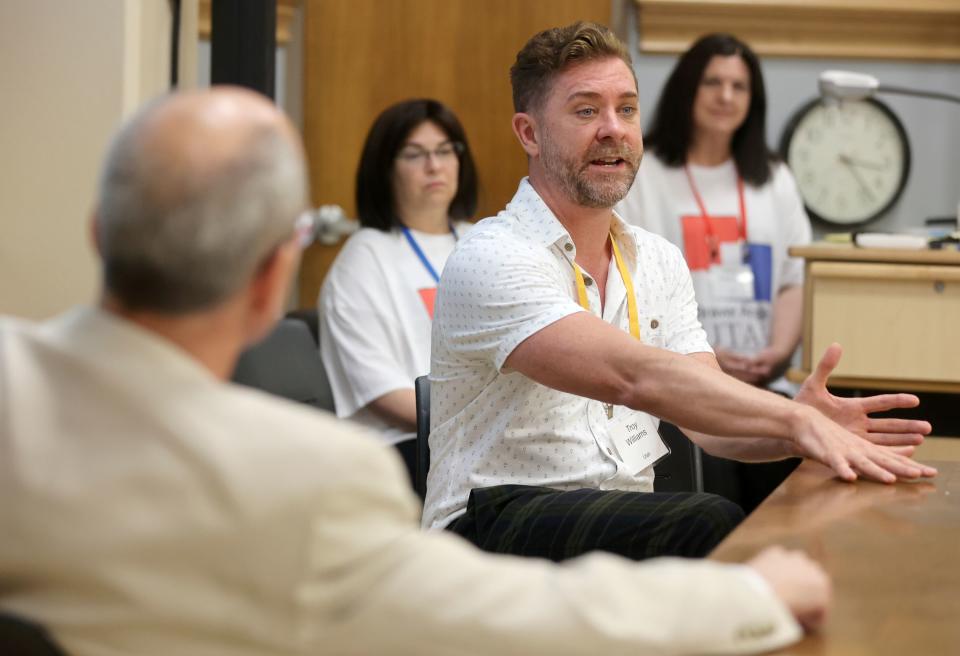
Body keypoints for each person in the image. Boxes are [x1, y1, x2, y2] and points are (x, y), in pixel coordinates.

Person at [0, 86, 833, 655]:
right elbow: (524, 624)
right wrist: (752, 595)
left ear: (99, 236)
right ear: (270, 286)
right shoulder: (314, 484)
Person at [423, 22, 934, 562]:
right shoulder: (494, 255)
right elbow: (633, 377)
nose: (612, 130)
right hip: (485, 526)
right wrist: (791, 417)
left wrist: (796, 433)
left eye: (626, 109)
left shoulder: (658, 260)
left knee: (811, 500)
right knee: (705, 520)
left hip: (611, 518)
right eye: (585, 110)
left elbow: (706, 420)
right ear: (528, 134)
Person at [617, 33, 810, 393]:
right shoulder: (643, 173)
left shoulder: (776, 179)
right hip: (675, 382)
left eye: (739, 86)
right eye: (713, 83)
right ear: (686, 89)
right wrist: (698, 356)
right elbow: (627, 282)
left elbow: (793, 280)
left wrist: (778, 353)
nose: (726, 96)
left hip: (764, 382)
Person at [320, 99, 476, 479]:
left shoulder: (482, 243)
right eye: (414, 154)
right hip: (403, 449)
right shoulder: (364, 259)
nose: (434, 166)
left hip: (477, 438)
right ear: (384, 170)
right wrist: (485, 422)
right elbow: (384, 397)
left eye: (444, 151)